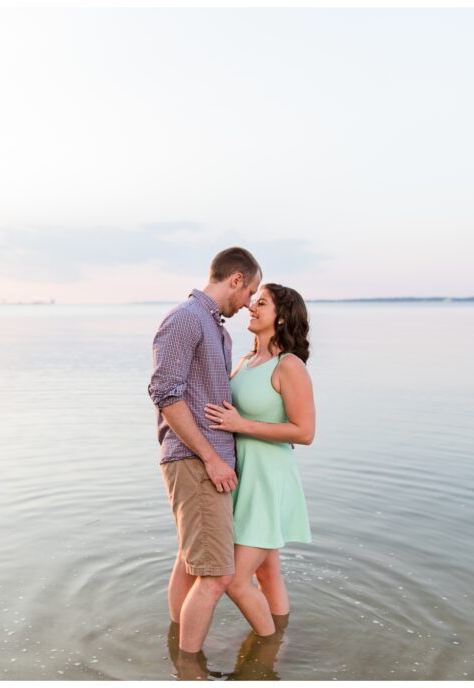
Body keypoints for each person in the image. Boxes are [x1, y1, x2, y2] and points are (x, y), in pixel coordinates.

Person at [148, 246, 262, 656]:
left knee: (189, 561)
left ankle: (182, 644)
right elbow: (164, 394)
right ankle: (190, 667)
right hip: (196, 462)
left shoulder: (216, 328)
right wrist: (212, 459)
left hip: (206, 462)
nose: (249, 302)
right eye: (250, 291)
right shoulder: (185, 319)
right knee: (215, 576)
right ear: (236, 280)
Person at [204, 283, 315, 638]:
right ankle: (281, 635)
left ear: (280, 318)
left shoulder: (289, 366)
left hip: (269, 480)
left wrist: (242, 424)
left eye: (261, 303)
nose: (251, 307)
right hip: (244, 477)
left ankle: (267, 650)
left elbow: (304, 432)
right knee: (266, 573)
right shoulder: (245, 361)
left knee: (235, 581)